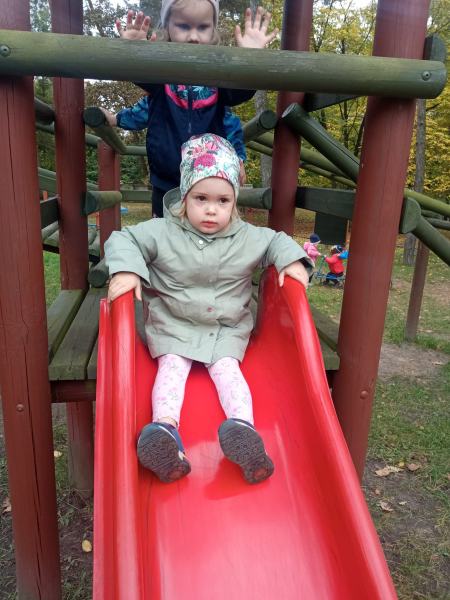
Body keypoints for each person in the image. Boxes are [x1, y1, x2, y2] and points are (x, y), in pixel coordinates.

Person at [105, 134, 313, 485]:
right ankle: (165, 431)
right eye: (201, 198)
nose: (212, 209)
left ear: (235, 202)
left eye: (223, 200)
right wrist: (127, 269)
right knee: (171, 369)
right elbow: (124, 239)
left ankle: (244, 431)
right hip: (175, 325)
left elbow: (277, 240)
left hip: (225, 328)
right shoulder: (163, 232)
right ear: (185, 197)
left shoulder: (247, 236)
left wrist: (292, 261)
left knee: (229, 371)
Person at [101, 2, 277, 216]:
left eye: (203, 27)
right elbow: (144, 101)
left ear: (213, 30)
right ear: (167, 27)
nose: (193, 37)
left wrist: (249, 59)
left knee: (205, 229)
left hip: (208, 179)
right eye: (183, 26)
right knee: (164, 231)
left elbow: (235, 105)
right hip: (166, 179)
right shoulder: (160, 75)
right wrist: (135, 52)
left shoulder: (219, 76)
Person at [104, 97, 247, 216]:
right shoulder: (162, 89)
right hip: (165, 178)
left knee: (204, 224)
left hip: (206, 178)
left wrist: (238, 158)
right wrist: (115, 119)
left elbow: (229, 123)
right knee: (163, 228)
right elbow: (143, 111)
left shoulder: (212, 90)